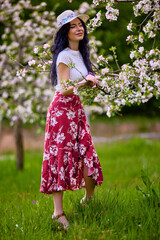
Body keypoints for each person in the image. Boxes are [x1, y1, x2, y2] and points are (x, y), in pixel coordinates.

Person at [40, 10, 103, 230]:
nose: (79, 28)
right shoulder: (64, 55)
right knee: (60, 157)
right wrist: (85, 83)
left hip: (76, 108)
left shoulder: (81, 54)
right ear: (65, 32)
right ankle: (58, 213)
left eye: (80, 25)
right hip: (61, 110)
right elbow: (65, 89)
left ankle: (89, 199)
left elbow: (79, 83)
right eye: (73, 26)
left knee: (87, 152)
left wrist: (94, 81)